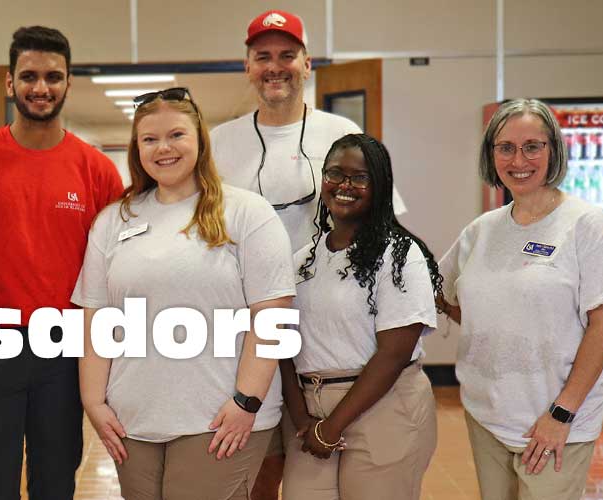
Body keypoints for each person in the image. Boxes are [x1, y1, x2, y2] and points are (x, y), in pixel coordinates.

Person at [209, 10, 407, 498]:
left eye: (286, 55)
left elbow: (387, 223)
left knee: (315, 463)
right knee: (252, 459)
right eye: (263, 57)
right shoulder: (219, 142)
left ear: (307, 63)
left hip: (326, 331)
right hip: (245, 329)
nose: (275, 67)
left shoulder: (340, 133)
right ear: (247, 66)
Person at [74, 88, 295, 500]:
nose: (164, 148)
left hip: (218, 418)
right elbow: (95, 317)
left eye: (176, 135)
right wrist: (94, 401)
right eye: (150, 139)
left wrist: (246, 402)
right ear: (136, 148)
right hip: (133, 419)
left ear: (199, 140)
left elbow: (272, 315)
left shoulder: (247, 213)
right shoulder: (114, 220)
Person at [0, 26, 125, 499]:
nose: (40, 87)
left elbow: (114, 265)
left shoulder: (96, 169)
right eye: (29, 76)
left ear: (69, 83)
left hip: (64, 350)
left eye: (52, 76)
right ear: (10, 83)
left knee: (54, 481)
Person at [438, 98, 603, 500]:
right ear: (491, 155)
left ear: (553, 151)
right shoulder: (481, 230)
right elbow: (444, 294)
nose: (519, 159)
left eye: (533, 146)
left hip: (556, 418)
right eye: (505, 147)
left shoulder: (585, 224)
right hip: (486, 414)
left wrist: (562, 412)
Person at [279, 134, 440, 499]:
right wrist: (302, 418)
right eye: (335, 174)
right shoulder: (305, 257)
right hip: (311, 408)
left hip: (383, 406)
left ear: (380, 185)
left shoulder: (400, 256)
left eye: (360, 177)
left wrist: (333, 426)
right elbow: (282, 340)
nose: (345, 185)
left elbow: (393, 355)